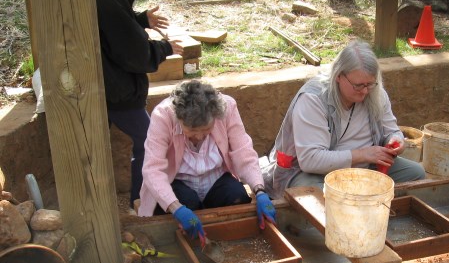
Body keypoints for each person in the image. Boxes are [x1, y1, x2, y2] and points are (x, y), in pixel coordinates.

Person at [262, 39, 426, 199]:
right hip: (314, 173)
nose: (364, 91)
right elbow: (310, 160)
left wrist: (395, 141)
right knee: (321, 197)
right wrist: (362, 154)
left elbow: (392, 131)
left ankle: (380, 215)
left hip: (367, 166)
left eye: (370, 84)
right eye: (358, 85)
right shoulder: (313, 99)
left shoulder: (375, 93)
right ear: (338, 76)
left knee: (416, 174)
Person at [91, 0, 183, 208]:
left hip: (103, 81)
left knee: (98, 146)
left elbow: (111, 26)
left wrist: (140, 20)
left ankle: (123, 200)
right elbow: (131, 51)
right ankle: (141, 201)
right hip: (114, 85)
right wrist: (165, 48)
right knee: (150, 140)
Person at [138, 80, 276, 244]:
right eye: (192, 131)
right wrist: (176, 208)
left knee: (236, 195)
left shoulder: (227, 108)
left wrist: (259, 191)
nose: (199, 136)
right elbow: (152, 170)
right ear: (179, 119)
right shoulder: (163, 115)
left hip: (215, 178)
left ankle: (222, 238)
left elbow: (243, 152)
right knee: (187, 204)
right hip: (178, 180)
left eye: (206, 130)